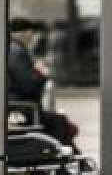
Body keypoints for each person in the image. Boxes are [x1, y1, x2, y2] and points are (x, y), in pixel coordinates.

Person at [8, 18, 80, 150]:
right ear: (26, 33)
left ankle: (68, 155)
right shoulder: (17, 52)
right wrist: (41, 74)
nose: (32, 37)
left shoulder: (12, 49)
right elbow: (28, 85)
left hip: (18, 107)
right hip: (22, 109)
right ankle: (57, 155)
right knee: (59, 122)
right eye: (31, 33)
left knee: (60, 121)